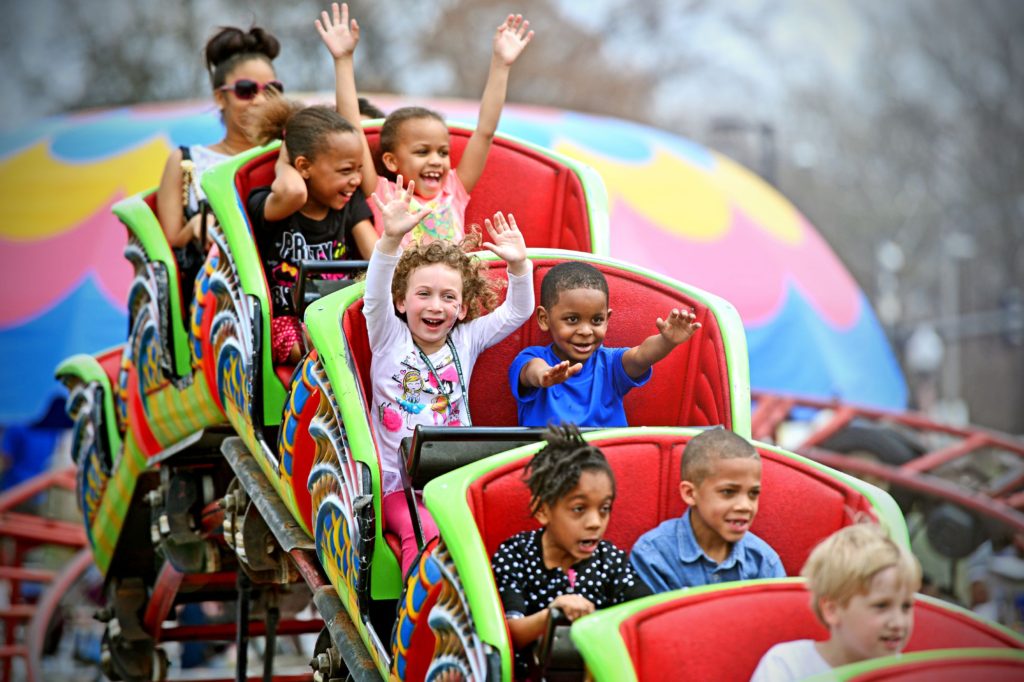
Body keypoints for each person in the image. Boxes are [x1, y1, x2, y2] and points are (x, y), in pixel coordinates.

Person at [367, 177, 533, 576]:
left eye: (448, 297)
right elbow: (373, 295)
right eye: (423, 294)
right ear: (402, 301)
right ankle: (416, 611)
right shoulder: (388, 336)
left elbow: (518, 312)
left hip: (456, 475)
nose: (435, 305)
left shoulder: (467, 338)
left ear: (461, 308)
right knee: (423, 532)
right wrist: (389, 241)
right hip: (400, 487)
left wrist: (519, 265)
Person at [316, 2, 534, 244]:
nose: (436, 160)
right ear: (391, 160)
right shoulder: (384, 194)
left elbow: (484, 132)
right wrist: (343, 60)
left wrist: (501, 65)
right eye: (422, 151)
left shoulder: (453, 189)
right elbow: (353, 132)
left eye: (443, 152)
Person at [491, 424, 651, 678]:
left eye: (604, 509)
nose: (595, 522)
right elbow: (508, 635)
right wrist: (552, 614)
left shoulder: (609, 560)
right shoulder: (516, 555)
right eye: (579, 509)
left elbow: (645, 614)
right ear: (542, 510)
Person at [246, 97, 378, 364]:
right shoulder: (269, 202)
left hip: (338, 311)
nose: (356, 180)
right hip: (290, 318)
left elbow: (377, 255)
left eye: (359, 169)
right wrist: (285, 160)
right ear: (304, 167)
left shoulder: (350, 203)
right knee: (308, 347)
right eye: (345, 170)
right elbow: (293, 192)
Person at [156, 25, 282, 291]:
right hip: (213, 301)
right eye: (246, 90)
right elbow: (164, 253)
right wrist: (192, 228)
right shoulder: (184, 160)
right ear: (219, 97)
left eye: (271, 90)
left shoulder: (287, 155)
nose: (260, 100)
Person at [510, 261, 701, 427]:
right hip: (552, 461)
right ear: (544, 318)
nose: (586, 331)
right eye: (572, 319)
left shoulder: (611, 363)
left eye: (596, 320)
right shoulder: (533, 358)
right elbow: (531, 371)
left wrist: (666, 341)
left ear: (607, 319)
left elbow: (641, 356)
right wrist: (544, 376)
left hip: (605, 460)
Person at [749, 523, 921, 682]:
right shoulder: (786, 666)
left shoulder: (908, 673)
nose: (898, 622)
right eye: (881, 606)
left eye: (906, 606)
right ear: (832, 610)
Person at [629, 428, 785, 592]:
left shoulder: (763, 561)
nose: (745, 506)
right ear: (690, 493)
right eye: (728, 492)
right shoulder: (654, 555)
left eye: (753, 494)